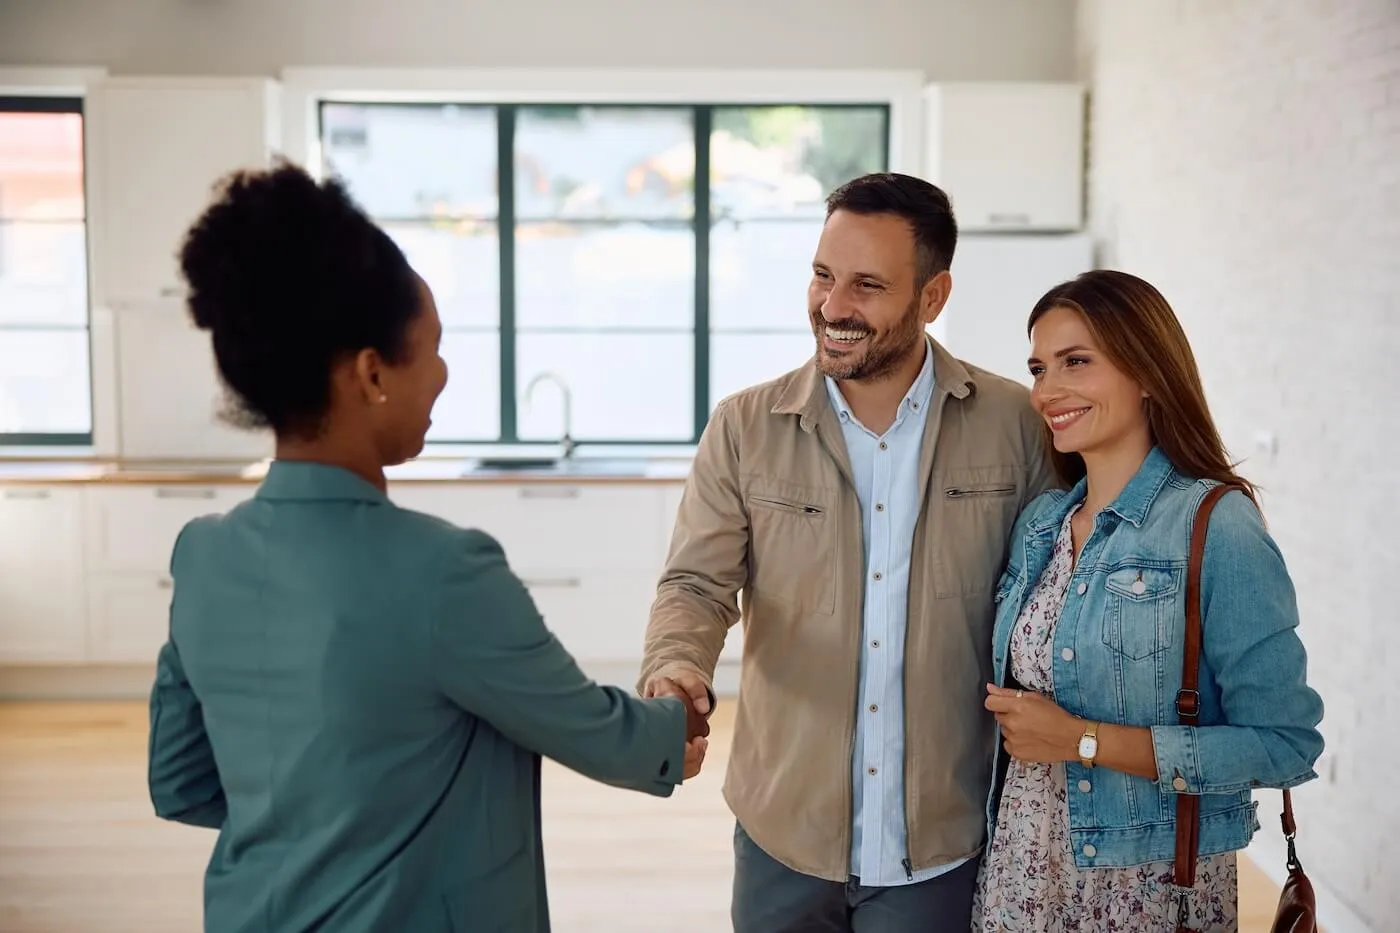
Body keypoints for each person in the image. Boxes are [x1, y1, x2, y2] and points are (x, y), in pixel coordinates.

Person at [146, 161, 709, 933]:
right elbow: (595, 733)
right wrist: (678, 721)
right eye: (433, 347)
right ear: (373, 372)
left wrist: (318, 829)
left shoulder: (202, 555)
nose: (443, 372)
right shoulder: (444, 570)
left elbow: (180, 782)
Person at [637, 172, 1060, 932]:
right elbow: (697, 584)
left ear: (933, 298)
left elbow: (1057, 598)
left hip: (940, 841)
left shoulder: (1015, 427)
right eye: (823, 276)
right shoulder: (745, 427)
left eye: (866, 285)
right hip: (782, 834)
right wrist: (676, 667)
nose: (832, 307)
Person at [973, 270, 1325, 931]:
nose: (1048, 389)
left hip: (1148, 892)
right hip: (1019, 875)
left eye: (1077, 361)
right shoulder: (1041, 523)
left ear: (1147, 373)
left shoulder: (1215, 524)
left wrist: (1080, 740)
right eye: (1039, 366)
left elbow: (1285, 743)